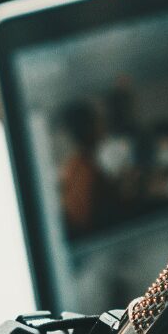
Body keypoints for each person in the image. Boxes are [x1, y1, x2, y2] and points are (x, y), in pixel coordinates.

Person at [58, 100, 111, 235]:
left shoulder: (84, 164)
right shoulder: (81, 169)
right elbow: (81, 218)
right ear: (89, 129)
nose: (103, 128)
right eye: (98, 123)